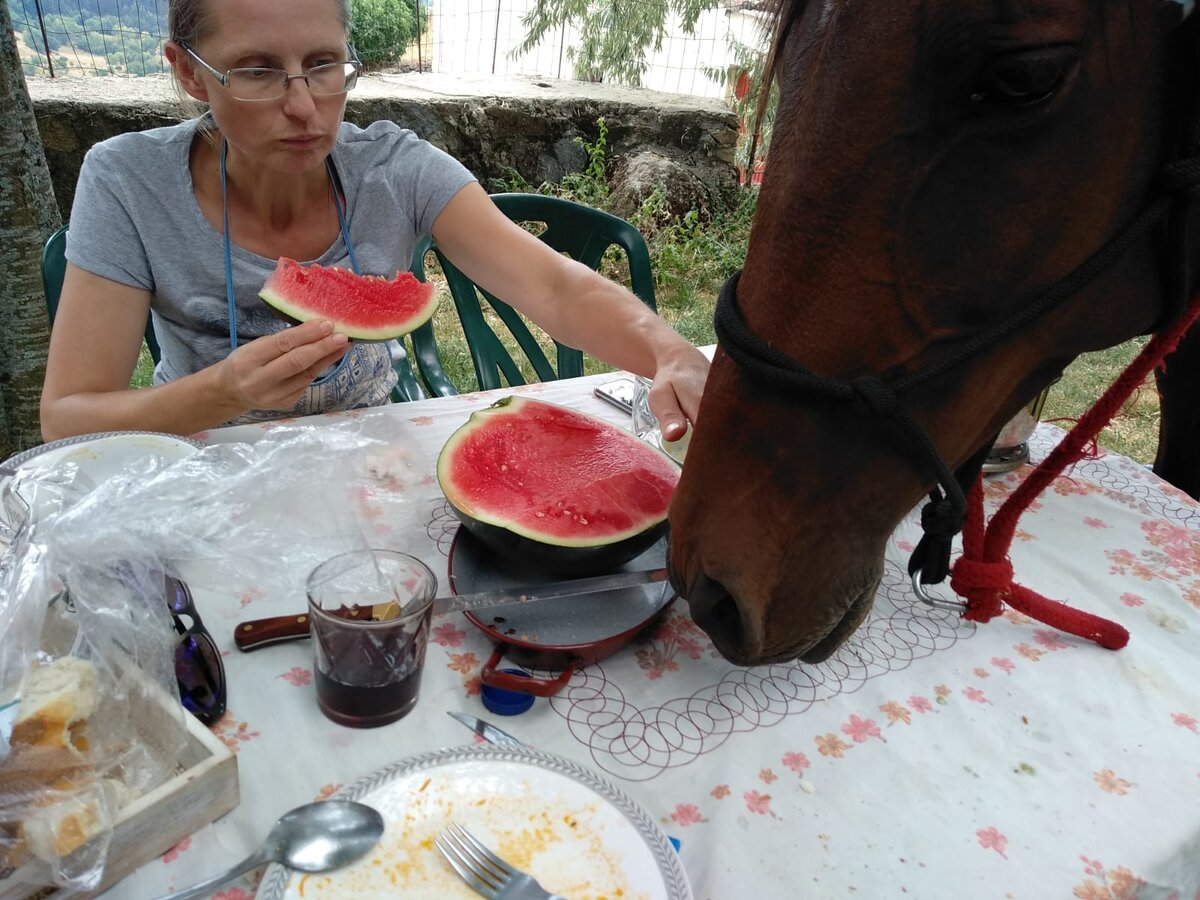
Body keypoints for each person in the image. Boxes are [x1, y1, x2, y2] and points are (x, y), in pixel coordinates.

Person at [39, 0, 709, 442]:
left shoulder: (396, 168)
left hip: (368, 456)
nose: (305, 108)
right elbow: (67, 419)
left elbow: (556, 289)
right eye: (258, 71)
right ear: (189, 73)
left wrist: (670, 353)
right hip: (203, 460)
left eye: (323, 65)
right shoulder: (128, 180)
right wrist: (221, 391)